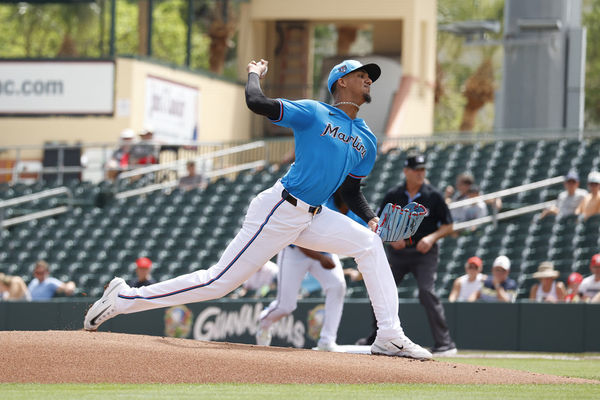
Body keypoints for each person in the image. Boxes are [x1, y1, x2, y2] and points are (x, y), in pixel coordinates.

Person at [83, 59, 432, 360]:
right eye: (361, 74)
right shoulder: (314, 112)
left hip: (314, 216)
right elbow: (256, 101)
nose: (369, 79)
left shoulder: (367, 138)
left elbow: (351, 189)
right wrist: (253, 73)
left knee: (369, 245)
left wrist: (370, 217)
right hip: (280, 208)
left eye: (370, 76)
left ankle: (388, 336)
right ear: (341, 81)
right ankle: (126, 297)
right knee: (218, 282)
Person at [356, 152, 456, 356]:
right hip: (398, 253)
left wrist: (431, 238)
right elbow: (380, 222)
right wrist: (392, 237)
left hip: (424, 253)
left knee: (426, 292)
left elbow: (449, 226)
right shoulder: (394, 194)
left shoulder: (433, 195)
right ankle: (377, 337)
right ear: (406, 171)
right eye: (416, 170)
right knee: (380, 288)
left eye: (423, 170)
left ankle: (445, 343)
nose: (421, 173)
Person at [256, 191, 363, 352]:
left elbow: (363, 240)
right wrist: (321, 258)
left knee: (337, 286)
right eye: (348, 186)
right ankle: (264, 321)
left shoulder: (356, 209)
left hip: (325, 252)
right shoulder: (324, 202)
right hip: (295, 250)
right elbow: (297, 236)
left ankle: (327, 341)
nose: (354, 190)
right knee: (286, 306)